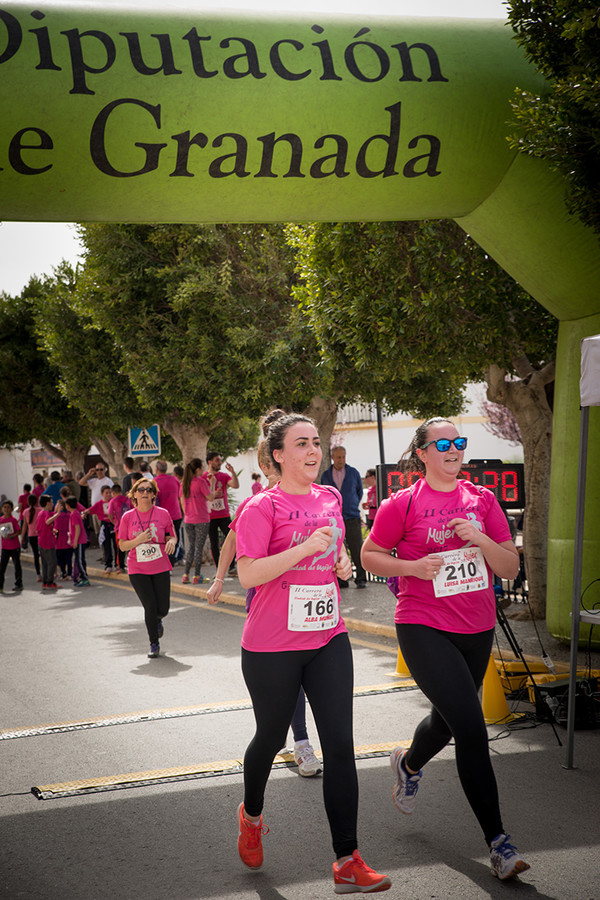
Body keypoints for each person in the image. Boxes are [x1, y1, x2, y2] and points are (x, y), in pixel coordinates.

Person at [360, 416, 530, 882]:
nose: (454, 449)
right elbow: (370, 555)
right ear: (422, 453)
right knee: (472, 728)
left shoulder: (483, 499)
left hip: (476, 626)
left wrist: (479, 538)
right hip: (423, 626)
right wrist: (412, 568)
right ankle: (499, 844)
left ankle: (408, 764)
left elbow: (510, 568)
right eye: (443, 444)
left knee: (449, 719)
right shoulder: (402, 503)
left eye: (459, 442)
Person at [233, 411, 391, 893]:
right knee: (269, 737)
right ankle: (251, 815)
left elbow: (334, 553)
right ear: (278, 455)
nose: (313, 450)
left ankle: (347, 860)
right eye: (301, 443)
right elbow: (248, 573)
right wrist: (302, 550)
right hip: (271, 645)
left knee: (340, 745)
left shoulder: (329, 498)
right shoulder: (261, 507)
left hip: (327, 636)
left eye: (316, 442)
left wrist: (340, 564)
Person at [208, 431, 322, 778]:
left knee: (302, 678)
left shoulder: (314, 499)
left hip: (308, 606)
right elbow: (231, 542)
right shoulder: (255, 504)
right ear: (269, 463)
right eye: (270, 466)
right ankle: (294, 739)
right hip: (267, 606)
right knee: (287, 683)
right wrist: (218, 578)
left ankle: (301, 741)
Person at [118, 479, 177, 658]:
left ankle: (157, 620)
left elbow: (171, 536)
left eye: (149, 490)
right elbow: (122, 545)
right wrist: (138, 540)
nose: (145, 492)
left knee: (163, 609)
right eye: (141, 489)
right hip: (138, 569)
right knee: (150, 606)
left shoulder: (163, 514)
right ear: (134, 494)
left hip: (160, 566)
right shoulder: (127, 517)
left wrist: (172, 542)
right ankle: (153, 643)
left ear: (153, 494)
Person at [321, 446, 367, 589]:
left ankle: (361, 578)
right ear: (333, 457)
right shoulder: (326, 475)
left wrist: (351, 504)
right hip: (334, 519)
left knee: (356, 548)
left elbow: (359, 492)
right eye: (338, 457)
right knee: (338, 549)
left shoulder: (353, 473)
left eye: (343, 457)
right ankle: (342, 580)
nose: (341, 460)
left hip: (352, 516)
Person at [179, 458, 218, 585]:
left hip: (188, 519)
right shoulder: (200, 482)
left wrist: (187, 514)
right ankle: (197, 576)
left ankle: (185, 575)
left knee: (191, 547)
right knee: (198, 548)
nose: (203, 470)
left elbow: (182, 502)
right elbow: (210, 497)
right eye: (202, 467)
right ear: (197, 469)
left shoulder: (183, 483)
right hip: (201, 519)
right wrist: (212, 483)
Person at [205, 451, 239, 574]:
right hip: (210, 516)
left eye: (220, 460)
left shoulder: (223, 476)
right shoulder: (203, 477)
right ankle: (219, 569)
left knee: (232, 539)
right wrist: (213, 493)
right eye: (217, 460)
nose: (220, 462)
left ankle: (231, 567)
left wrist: (233, 472)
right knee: (214, 543)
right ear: (210, 462)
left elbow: (235, 485)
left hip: (224, 514)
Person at [154, 460, 183, 565]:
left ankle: (165, 561)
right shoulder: (174, 480)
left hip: (161, 517)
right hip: (176, 515)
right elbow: (180, 496)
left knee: (162, 540)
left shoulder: (154, 482)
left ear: (156, 469)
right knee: (175, 539)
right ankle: (171, 561)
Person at [85, 485, 117, 573]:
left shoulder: (114, 501)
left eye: (110, 492)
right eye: (106, 493)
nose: (108, 494)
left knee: (116, 545)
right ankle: (108, 564)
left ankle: (117, 564)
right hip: (105, 525)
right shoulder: (99, 504)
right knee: (106, 545)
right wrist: (83, 513)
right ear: (102, 494)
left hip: (114, 524)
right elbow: (90, 510)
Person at [0, 500, 23, 593]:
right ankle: (0, 585)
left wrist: (12, 536)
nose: (6, 509)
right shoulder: (1, 520)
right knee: (2, 567)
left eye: (8, 507)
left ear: (12, 509)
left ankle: (19, 584)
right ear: (2, 509)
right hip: (5, 547)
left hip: (14, 547)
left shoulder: (13, 520)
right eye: (4, 507)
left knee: (17, 566)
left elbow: (19, 531)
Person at [66, 496, 90, 586]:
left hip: (79, 541)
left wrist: (75, 541)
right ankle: (82, 577)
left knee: (79, 560)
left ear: (68, 506)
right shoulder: (75, 513)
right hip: (78, 541)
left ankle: (84, 578)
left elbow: (77, 528)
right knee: (80, 559)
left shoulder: (74, 514)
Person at [36, 495, 58, 590]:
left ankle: (45, 582)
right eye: (51, 502)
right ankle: (50, 582)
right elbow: (47, 522)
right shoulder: (46, 513)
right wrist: (58, 513)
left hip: (41, 540)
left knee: (44, 563)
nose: (52, 504)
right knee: (52, 562)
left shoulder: (40, 513)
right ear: (48, 503)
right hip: (48, 541)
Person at [108, 484, 131, 572]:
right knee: (130, 545)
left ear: (113, 493)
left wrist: (114, 523)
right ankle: (131, 564)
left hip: (119, 527)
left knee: (120, 547)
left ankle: (120, 566)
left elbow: (110, 514)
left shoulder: (113, 501)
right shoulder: (127, 500)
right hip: (129, 526)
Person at [21, 494, 41, 582]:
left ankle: (38, 575)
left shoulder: (25, 512)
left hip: (31, 535)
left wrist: (22, 537)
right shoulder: (40, 510)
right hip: (40, 535)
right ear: (37, 501)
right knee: (43, 554)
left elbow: (24, 526)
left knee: (36, 555)